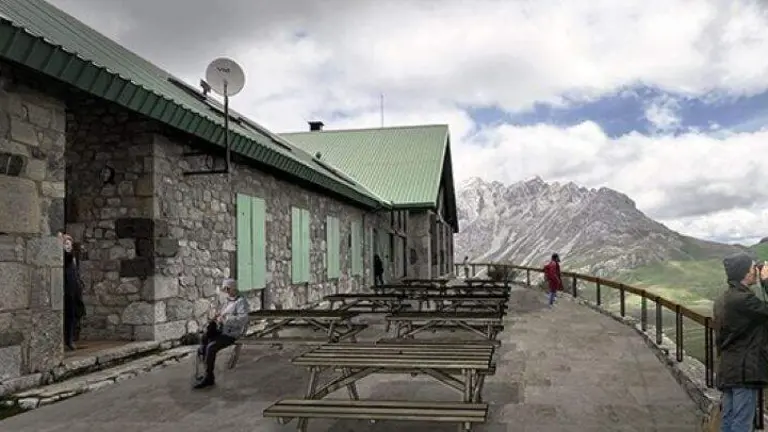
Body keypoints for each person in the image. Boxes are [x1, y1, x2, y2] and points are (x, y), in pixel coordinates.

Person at [714, 254, 768, 431]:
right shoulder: (743, 300)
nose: (756, 271)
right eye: (754, 268)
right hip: (744, 370)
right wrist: (766, 281)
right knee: (742, 422)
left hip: (729, 367)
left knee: (729, 418)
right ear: (746, 273)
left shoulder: (725, 297)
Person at [194, 278, 250, 389]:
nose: (226, 291)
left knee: (211, 347)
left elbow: (243, 319)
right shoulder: (227, 301)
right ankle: (205, 373)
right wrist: (217, 316)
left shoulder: (241, 302)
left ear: (234, 288)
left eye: (228, 289)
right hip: (222, 330)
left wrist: (225, 319)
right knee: (204, 340)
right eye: (225, 289)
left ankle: (209, 377)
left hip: (232, 333)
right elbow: (222, 313)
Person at [61, 233, 85, 351]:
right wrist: (66, 250)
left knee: (75, 314)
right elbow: (67, 257)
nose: (68, 245)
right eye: (66, 243)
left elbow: (76, 272)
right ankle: (68, 340)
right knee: (68, 315)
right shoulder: (66, 255)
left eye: (70, 243)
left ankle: (71, 338)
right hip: (67, 290)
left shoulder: (74, 257)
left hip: (74, 290)